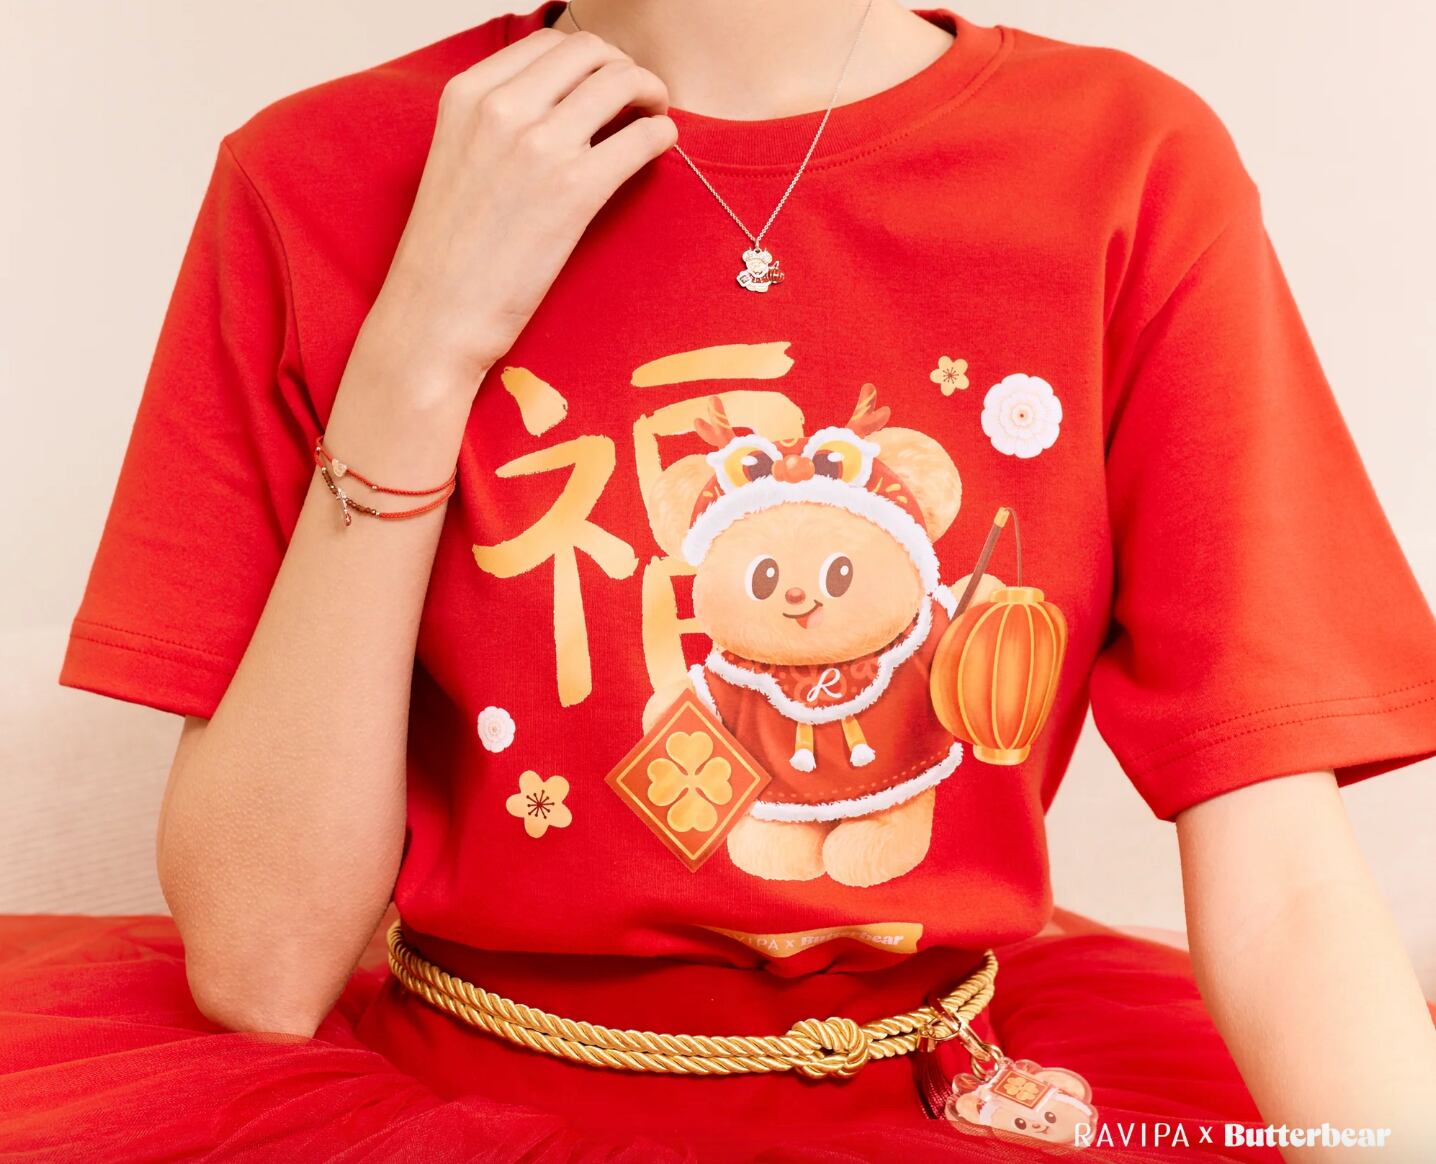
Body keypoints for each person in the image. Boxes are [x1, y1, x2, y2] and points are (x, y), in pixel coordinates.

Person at [3, 1, 1434, 1160]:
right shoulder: (317, 176)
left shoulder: (1120, 162)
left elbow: (1285, 877)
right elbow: (259, 964)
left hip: (949, 1092)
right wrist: (421, 343)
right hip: (454, 1105)